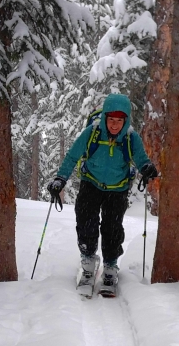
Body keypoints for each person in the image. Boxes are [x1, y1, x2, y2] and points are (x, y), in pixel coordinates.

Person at [47, 93, 158, 292]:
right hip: (91, 183)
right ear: (105, 117)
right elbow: (72, 156)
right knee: (86, 223)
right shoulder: (92, 133)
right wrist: (60, 178)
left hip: (118, 189)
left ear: (126, 121)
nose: (115, 125)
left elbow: (141, 158)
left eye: (119, 120)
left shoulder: (130, 138)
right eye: (111, 119)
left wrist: (147, 167)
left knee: (112, 228)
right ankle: (88, 266)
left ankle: (110, 267)